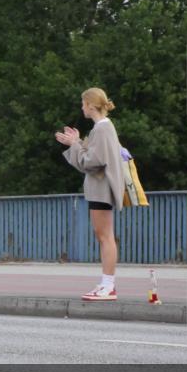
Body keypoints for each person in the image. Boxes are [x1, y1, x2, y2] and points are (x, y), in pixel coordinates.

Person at [56, 88, 125, 301]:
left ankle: (108, 286)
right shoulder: (103, 127)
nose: (82, 107)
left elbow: (92, 162)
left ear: (91, 105)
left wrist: (74, 145)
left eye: (83, 103)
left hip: (102, 188)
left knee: (105, 237)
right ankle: (106, 284)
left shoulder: (102, 129)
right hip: (102, 187)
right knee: (104, 236)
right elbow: (95, 155)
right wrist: (78, 142)